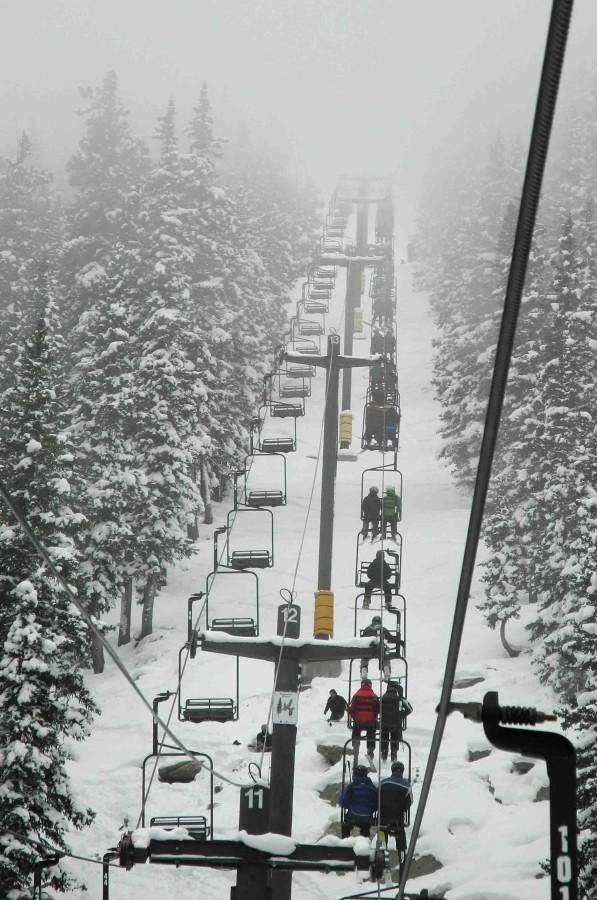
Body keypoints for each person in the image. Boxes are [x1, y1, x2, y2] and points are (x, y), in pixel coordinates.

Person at [378, 760, 413, 854]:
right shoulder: (406, 785)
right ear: (402, 771)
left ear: (392, 770)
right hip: (398, 818)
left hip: (383, 817)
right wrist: (401, 809)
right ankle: (402, 857)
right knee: (401, 834)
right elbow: (409, 801)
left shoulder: (383, 783)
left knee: (382, 831)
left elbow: (376, 797)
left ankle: (382, 852)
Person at [338, 764, 378, 838]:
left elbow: (342, 801)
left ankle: (345, 841)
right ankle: (364, 842)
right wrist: (371, 810)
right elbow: (377, 803)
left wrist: (349, 806)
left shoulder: (351, 787)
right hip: (367, 816)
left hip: (352, 815)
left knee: (346, 826)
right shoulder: (372, 787)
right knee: (365, 826)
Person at [349, 679, 379, 766]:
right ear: (370, 685)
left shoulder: (356, 695)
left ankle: (356, 750)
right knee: (371, 734)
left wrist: (355, 717)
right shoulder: (374, 696)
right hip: (370, 722)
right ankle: (370, 751)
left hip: (358, 722)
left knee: (356, 733)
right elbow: (378, 709)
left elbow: (352, 709)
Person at [359, 615, 399, 681]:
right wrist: (397, 639)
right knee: (386, 657)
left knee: (365, 658)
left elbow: (362, 640)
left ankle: (364, 671)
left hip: (369, 650)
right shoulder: (383, 629)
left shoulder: (367, 629)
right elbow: (390, 638)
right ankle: (386, 671)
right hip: (380, 649)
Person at [380, 682, 413, 761]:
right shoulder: (400, 699)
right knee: (395, 736)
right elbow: (410, 709)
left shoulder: (382, 698)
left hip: (384, 725)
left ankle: (384, 753)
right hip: (396, 725)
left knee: (384, 736)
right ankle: (394, 753)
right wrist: (401, 715)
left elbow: (378, 709)